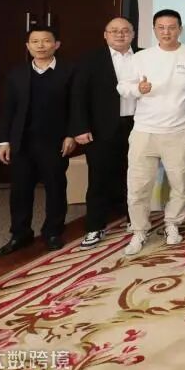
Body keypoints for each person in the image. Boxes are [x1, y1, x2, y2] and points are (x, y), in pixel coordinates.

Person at [117, 9, 185, 256]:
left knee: (180, 182)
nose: (166, 32)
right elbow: (122, 86)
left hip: (180, 130)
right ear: (154, 30)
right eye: (161, 27)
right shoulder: (141, 57)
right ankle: (139, 230)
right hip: (145, 131)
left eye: (171, 27)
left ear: (180, 29)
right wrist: (138, 89)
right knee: (138, 185)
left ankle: (172, 224)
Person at [0, 25, 75, 256]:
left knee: (55, 188)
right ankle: (20, 234)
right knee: (20, 190)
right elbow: (8, 110)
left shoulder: (69, 71)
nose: (41, 46)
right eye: (35, 41)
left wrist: (71, 134)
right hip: (22, 142)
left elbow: (76, 106)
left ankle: (53, 232)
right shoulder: (17, 74)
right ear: (28, 46)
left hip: (54, 141)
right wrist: (3, 141)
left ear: (56, 45)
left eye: (46, 41)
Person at [70, 17, 138, 250]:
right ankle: (95, 227)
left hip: (139, 125)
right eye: (114, 31)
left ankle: (135, 221)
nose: (120, 34)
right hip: (101, 127)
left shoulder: (144, 56)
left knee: (135, 176)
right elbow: (78, 95)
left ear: (133, 34)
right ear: (105, 34)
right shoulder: (90, 59)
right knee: (98, 178)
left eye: (125, 30)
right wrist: (80, 127)